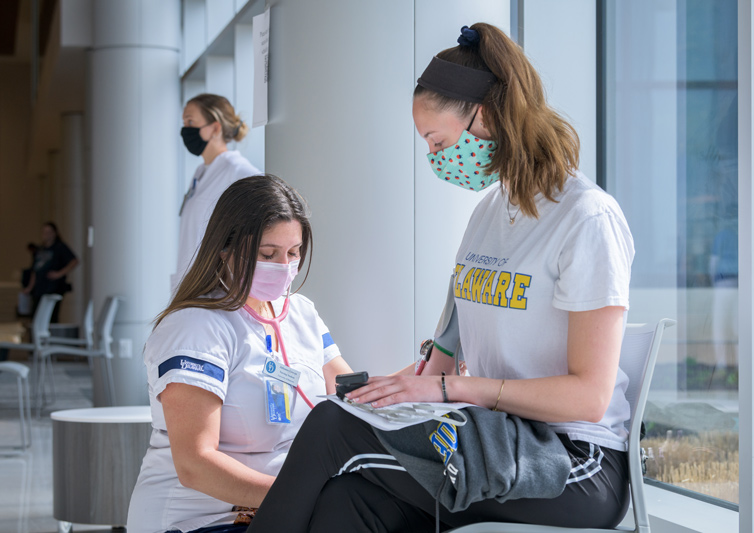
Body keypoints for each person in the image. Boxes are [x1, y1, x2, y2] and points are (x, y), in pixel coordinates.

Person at [247, 23, 635, 532]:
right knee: (349, 499)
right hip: (499, 437)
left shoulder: (586, 218)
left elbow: (588, 398)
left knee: (331, 428)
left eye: (437, 141)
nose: (434, 158)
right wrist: (401, 390)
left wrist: (453, 391)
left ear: (487, 114)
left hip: (574, 462)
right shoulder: (487, 216)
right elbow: (446, 353)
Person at [127, 175, 353, 533]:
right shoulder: (196, 327)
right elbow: (196, 464)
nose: (283, 265)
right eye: (267, 253)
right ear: (225, 248)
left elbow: (350, 393)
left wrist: (429, 374)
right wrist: (302, 499)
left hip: (279, 514)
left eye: (293, 253)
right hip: (202, 520)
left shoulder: (300, 313)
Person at [173, 93, 261, 292]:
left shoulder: (237, 171)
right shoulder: (201, 172)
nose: (185, 129)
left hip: (214, 288)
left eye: (190, 121)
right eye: (184, 122)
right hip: (191, 284)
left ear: (215, 127)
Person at [22, 222, 79, 323]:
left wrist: (59, 273)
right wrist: (30, 288)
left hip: (53, 288)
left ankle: (50, 337)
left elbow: (74, 261)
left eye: (49, 232)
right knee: (36, 316)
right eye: (44, 232)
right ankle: (36, 337)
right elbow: (35, 271)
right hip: (39, 288)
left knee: (51, 317)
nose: (46, 235)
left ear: (55, 233)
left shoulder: (60, 247)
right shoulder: (40, 249)